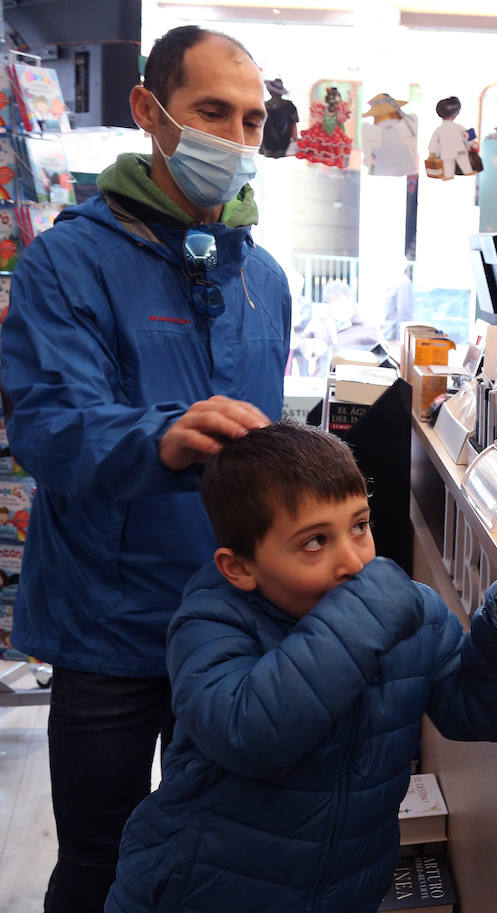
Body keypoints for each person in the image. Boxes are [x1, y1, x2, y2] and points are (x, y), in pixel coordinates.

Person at [0, 25, 290, 912]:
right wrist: (162, 439)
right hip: (111, 630)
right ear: (149, 112)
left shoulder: (263, 278)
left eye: (251, 120)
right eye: (212, 113)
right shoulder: (68, 262)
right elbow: (48, 427)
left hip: (233, 627)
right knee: (100, 861)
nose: (235, 141)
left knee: (220, 855)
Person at [104, 423, 497, 913]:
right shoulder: (212, 621)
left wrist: (495, 639)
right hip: (196, 890)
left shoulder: (405, 613)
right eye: (314, 542)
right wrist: (371, 610)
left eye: (359, 525)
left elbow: (472, 714)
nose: (353, 562)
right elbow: (249, 733)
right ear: (240, 567)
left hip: (345, 890)